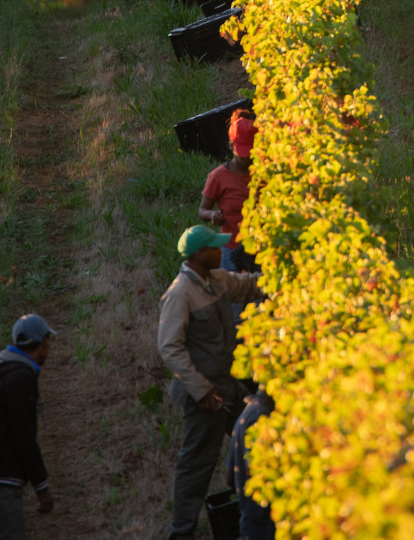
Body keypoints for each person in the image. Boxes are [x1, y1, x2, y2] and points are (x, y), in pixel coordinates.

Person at [159, 224, 265, 540]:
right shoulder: (180, 294)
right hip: (205, 395)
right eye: (216, 248)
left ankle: (260, 507)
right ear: (199, 255)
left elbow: (248, 286)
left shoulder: (216, 280)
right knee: (197, 464)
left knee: (258, 439)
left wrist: (284, 277)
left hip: (227, 385)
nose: (223, 251)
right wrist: (201, 390)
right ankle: (181, 531)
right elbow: (170, 348)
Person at [0, 314, 57, 540]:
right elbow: (23, 437)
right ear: (40, 342)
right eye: (48, 340)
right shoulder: (21, 378)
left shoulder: (3, 374)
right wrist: (41, 487)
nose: (50, 346)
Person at [199, 109, 258, 273]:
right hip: (232, 250)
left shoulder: (262, 173)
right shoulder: (218, 177)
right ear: (231, 145)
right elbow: (202, 210)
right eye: (242, 153)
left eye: (250, 152)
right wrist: (212, 216)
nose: (246, 158)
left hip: (261, 249)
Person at [229, 388, 277, 540]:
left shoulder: (249, 411)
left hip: (250, 526)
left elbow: (230, 477)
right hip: (263, 528)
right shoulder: (260, 418)